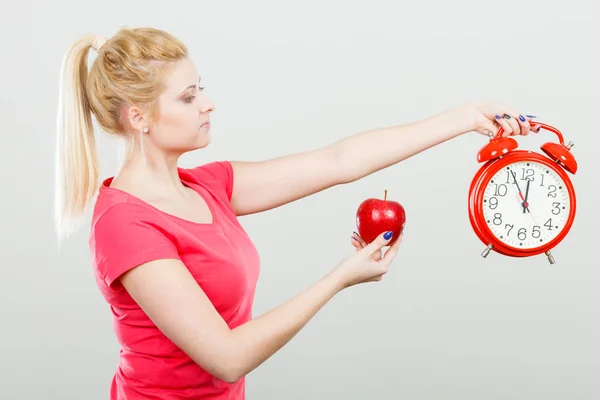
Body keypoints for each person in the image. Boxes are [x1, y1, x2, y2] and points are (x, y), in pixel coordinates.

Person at [54, 26, 539, 400]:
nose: (208, 104)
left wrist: (462, 119)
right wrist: (340, 278)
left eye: (200, 88)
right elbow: (226, 357)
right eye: (188, 97)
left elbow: (336, 162)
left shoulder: (206, 186)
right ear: (137, 116)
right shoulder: (125, 223)